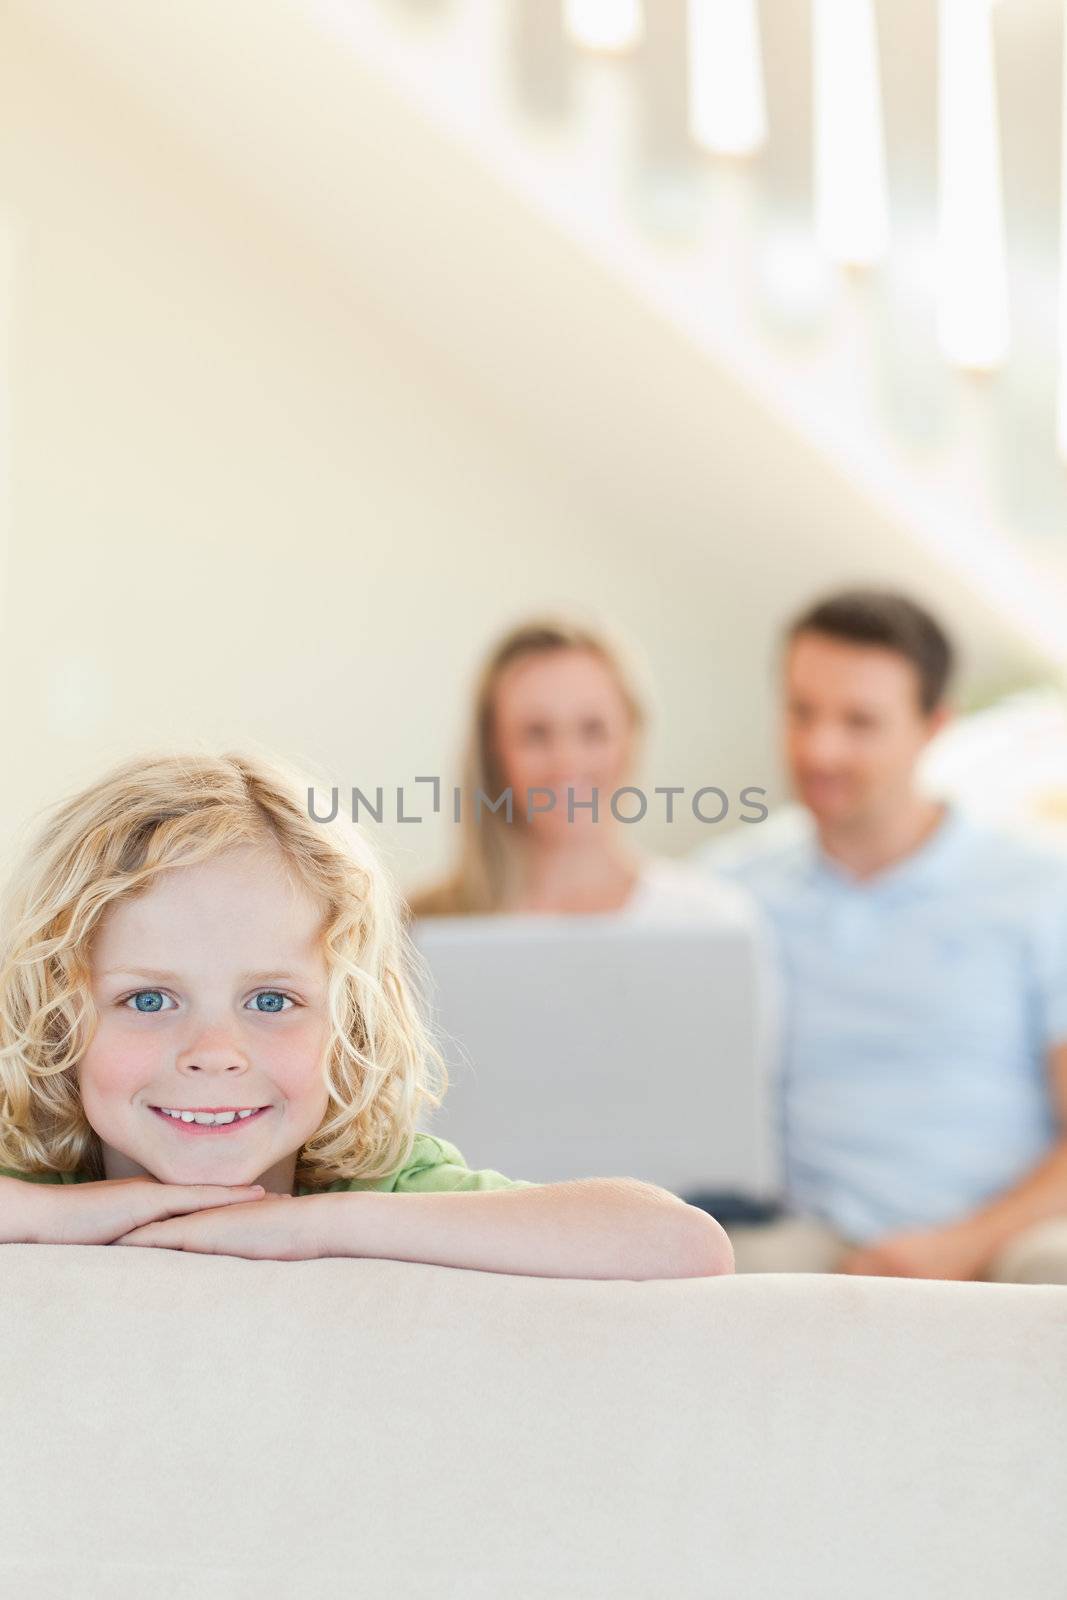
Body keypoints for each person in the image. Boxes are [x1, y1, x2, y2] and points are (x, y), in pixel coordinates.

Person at [0, 747, 732, 1279]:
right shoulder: (41, 1182)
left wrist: (314, 1228)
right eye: (149, 999)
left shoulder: (367, 1186)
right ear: (58, 1017)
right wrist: (57, 1220)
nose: (215, 1050)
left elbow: (682, 1244)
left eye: (271, 1000)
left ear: (346, 1025)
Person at [700, 588, 1067, 1284]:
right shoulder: (730, 892)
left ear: (933, 728)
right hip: (812, 1240)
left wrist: (961, 1244)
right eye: (800, 712)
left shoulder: (1040, 890)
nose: (819, 749)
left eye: (858, 722)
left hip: (1004, 1238)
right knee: (699, 1278)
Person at [408, 614, 755, 928]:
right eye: (535, 734)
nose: (566, 763)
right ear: (493, 749)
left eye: (593, 730)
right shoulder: (423, 925)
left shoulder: (709, 919)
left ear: (631, 737)